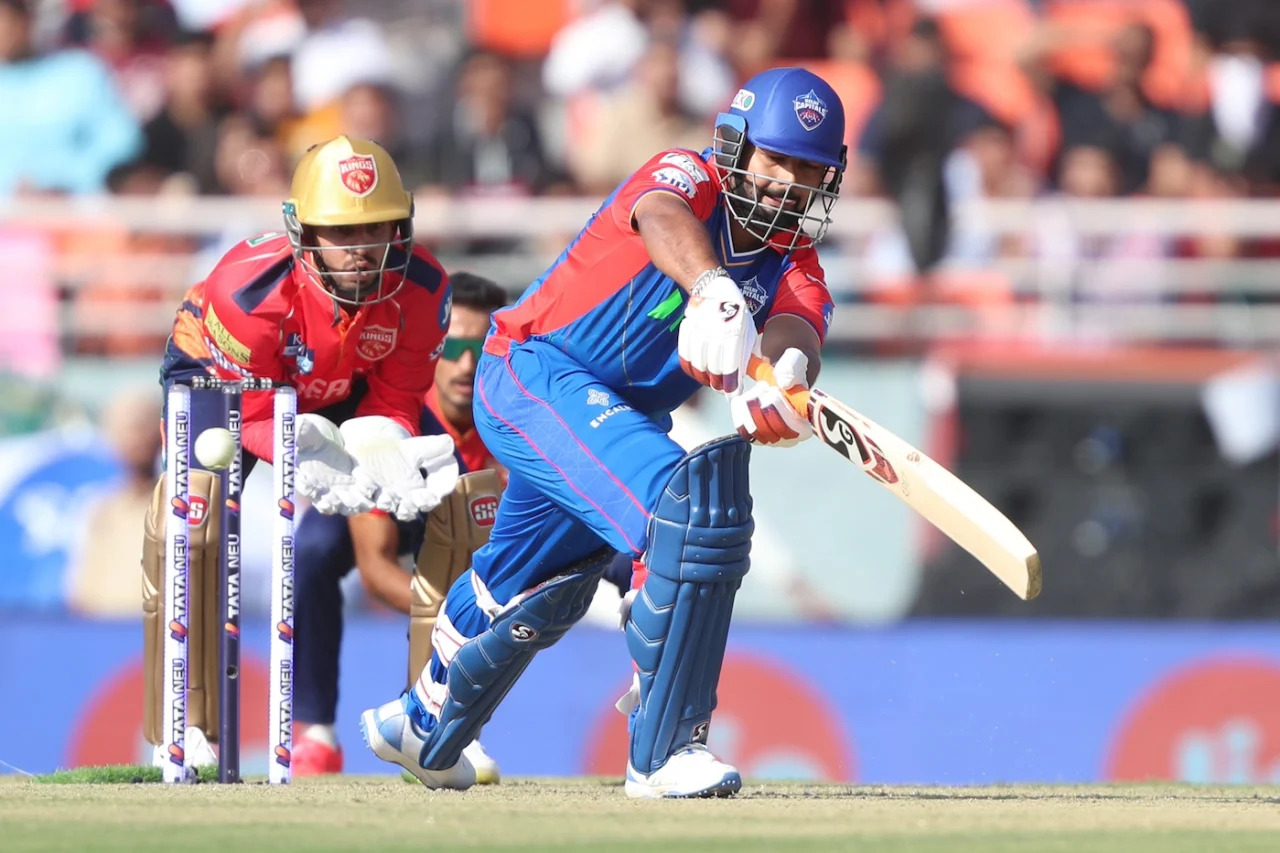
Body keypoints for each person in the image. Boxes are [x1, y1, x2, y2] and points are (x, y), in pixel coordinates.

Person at [359, 67, 845, 798]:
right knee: (691, 511)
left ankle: (423, 723)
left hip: (612, 419)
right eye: (779, 161)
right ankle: (664, 749)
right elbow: (661, 216)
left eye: (811, 170)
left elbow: (794, 330)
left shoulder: (796, 267)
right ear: (738, 147)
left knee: (533, 587)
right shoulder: (686, 175)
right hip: (535, 371)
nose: (792, 184)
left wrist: (779, 383)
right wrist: (711, 287)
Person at [141, 135, 458, 768]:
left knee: (440, 507)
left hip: (341, 387)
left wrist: (379, 438)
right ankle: (184, 723)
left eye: (378, 230)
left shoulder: (423, 288)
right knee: (193, 526)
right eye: (343, 234)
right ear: (302, 232)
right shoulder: (247, 292)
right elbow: (249, 417)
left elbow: (395, 396)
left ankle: (442, 729)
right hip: (221, 380)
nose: (364, 252)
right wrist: (303, 455)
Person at [291, 272, 508, 780]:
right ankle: (317, 732)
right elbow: (375, 567)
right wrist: (460, 623)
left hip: (459, 534)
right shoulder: (404, 425)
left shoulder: (510, 422)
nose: (465, 364)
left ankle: (447, 727)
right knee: (315, 551)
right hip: (377, 506)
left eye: (479, 347)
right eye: (451, 346)